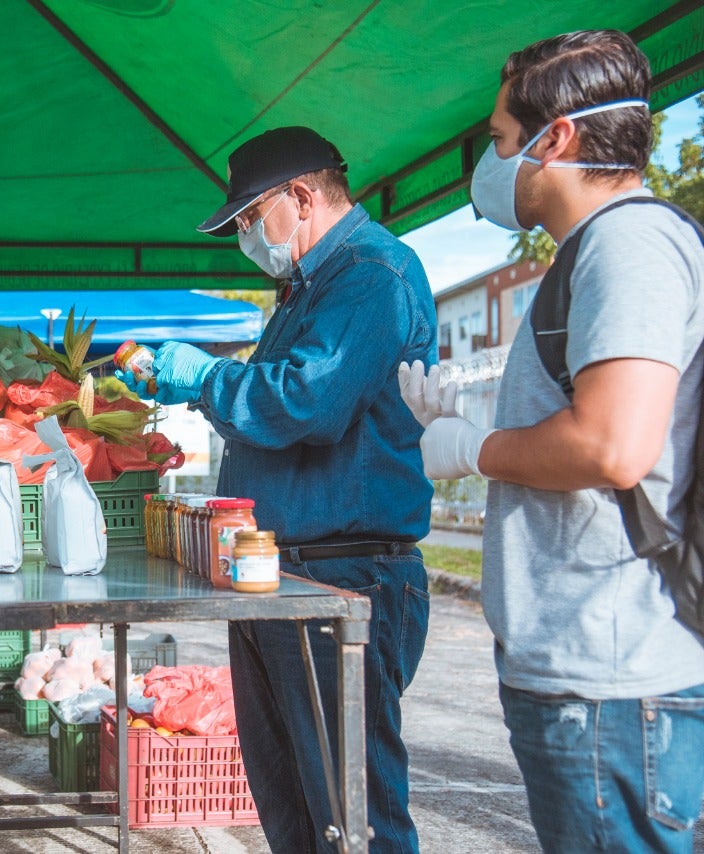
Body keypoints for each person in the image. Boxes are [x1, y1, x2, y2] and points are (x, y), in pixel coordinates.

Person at [406, 30, 704, 853]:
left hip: (610, 676)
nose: (497, 161)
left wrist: (476, 449)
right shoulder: (596, 254)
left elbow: (613, 444)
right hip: (586, 670)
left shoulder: (628, 244)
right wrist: (471, 425)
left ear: (557, 137)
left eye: (503, 140)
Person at [119, 126, 437, 852]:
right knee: (291, 801)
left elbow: (307, 403)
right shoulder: (308, 288)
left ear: (301, 195)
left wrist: (205, 377)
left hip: (345, 574)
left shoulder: (371, 274)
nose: (244, 236)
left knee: (352, 814)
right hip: (282, 573)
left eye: (248, 217)